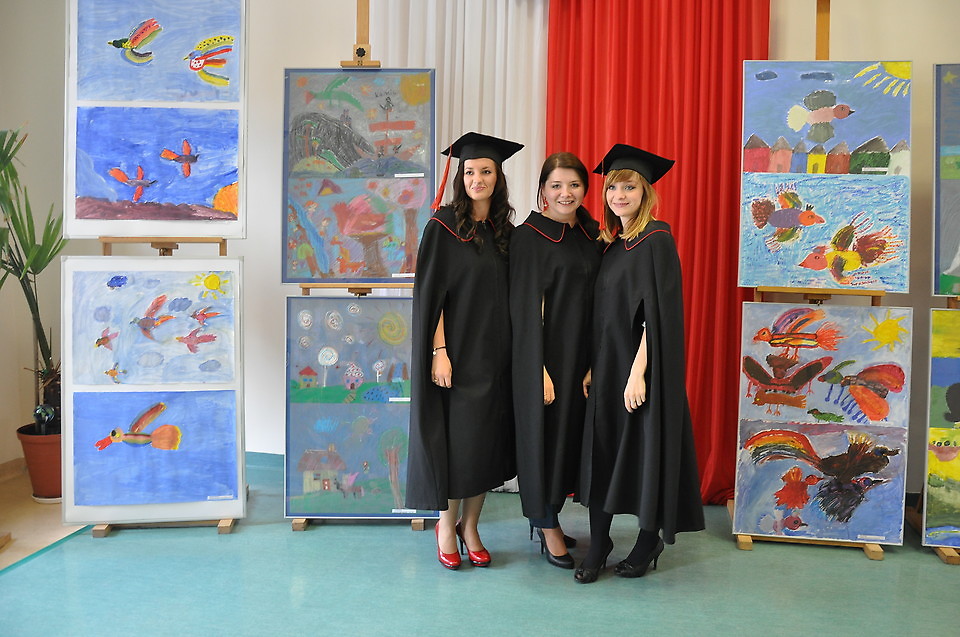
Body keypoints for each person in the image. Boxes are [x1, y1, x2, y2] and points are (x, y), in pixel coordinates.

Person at [575, 143, 704, 584]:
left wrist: (637, 373)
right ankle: (599, 542)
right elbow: (605, 314)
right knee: (602, 454)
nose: (619, 195)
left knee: (646, 452)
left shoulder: (656, 240)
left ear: (646, 192)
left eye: (629, 187)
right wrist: (595, 366)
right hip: (608, 367)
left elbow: (657, 317)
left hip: (642, 371)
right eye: (613, 188)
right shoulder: (613, 245)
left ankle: (648, 541)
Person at [405, 132, 523, 570]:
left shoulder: (505, 232)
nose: (478, 179)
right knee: (457, 447)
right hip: (456, 356)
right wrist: (439, 350)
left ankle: (470, 526)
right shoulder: (443, 227)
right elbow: (430, 296)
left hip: (496, 358)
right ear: (461, 177)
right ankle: (445, 526)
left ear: (498, 177)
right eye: (470, 171)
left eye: (486, 171)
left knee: (485, 447)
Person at [510, 152, 601, 569]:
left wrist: (593, 362)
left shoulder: (590, 233)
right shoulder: (529, 237)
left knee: (568, 444)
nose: (566, 193)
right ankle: (545, 526)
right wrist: (538, 370)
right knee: (543, 443)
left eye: (574, 185)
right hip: (545, 359)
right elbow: (526, 309)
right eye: (556, 185)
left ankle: (553, 519)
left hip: (581, 360)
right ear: (543, 190)